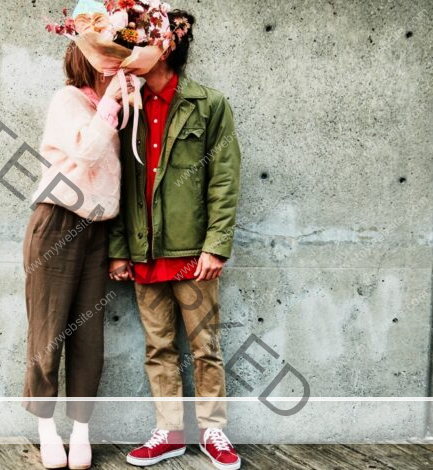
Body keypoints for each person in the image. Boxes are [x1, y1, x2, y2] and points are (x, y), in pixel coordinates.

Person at [107, 10, 243, 470]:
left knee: (205, 346)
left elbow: (224, 179)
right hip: (143, 251)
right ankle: (170, 433)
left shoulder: (209, 104)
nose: (128, 52)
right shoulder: (125, 106)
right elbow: (116, 182)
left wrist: (216, 245)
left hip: (192, 254)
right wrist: (119, 249)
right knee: (158, 348)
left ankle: (213, 431)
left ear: (164, 47)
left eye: (138, 43)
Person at [21, 43, 133, 470]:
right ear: (87, 61)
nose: (115, 64)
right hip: (58, 220)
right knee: (48, 332)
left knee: (89, 338)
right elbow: (85, 151)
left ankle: (81, 432)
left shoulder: (118, 108)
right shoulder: (67, 100)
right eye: (107, 57)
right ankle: (46, 430)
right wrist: (110, 102)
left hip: (97, 230)